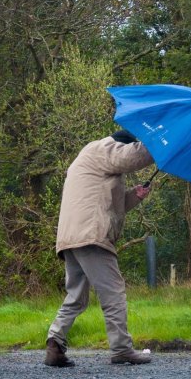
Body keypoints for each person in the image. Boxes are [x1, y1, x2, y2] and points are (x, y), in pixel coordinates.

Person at [44, 129, 155, 367]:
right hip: (91, 236)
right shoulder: (104, 149)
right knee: (113, 291)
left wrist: (135, 196)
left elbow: (106, 205)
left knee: (76, 296)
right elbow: (134, 157)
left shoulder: (91, 160)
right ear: (122, 144)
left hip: (72, 237)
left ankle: (55, 343)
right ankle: (122, 349)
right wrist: (160, 143)